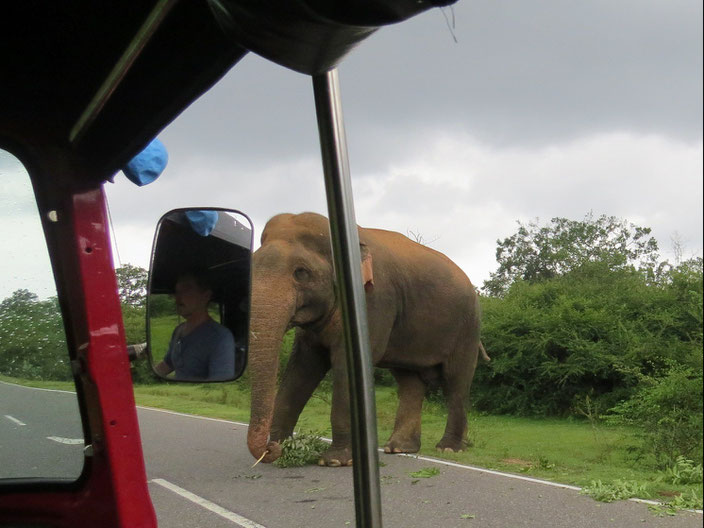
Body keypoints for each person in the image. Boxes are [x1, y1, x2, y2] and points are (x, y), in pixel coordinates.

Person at [154, 270, 235, 381]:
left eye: (186, 290)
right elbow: (168, 364)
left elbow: (220, 385)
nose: (178, 298)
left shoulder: (221, 338)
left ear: (206, 296)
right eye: (177, 292)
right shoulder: (178, 331)